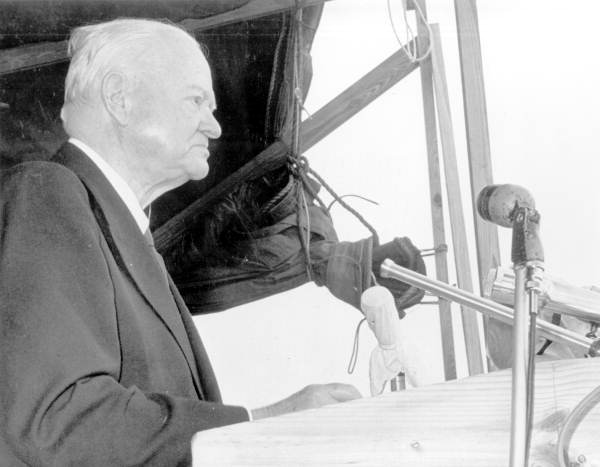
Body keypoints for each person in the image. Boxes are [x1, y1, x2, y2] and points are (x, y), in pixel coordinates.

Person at [0, 19, 361, 466]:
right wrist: (261, 424)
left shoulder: (125, 231)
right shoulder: (48, 191)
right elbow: (55, 421)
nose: (214, 128)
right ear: (120, 98)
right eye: (197, 101)